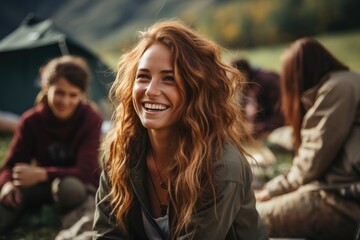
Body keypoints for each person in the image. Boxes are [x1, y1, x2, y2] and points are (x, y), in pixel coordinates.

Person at [93, 20, 265, 239]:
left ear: (196, 90)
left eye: (169, 79)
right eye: (143, 76)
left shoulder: (221, 166)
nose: (151, 91)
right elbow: (106, 233)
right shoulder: (119, 152)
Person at [255, 37, 360, 239]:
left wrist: (272, 190)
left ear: (298, 75)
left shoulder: (337, 88)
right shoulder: (344, 83)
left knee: (251, 219)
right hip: (338, 191)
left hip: (342, 199)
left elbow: (313, 157)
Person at [0, 55, 103, 233]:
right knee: (6, 202)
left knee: (69, 188)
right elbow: (10, 165)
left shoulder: (91, 119)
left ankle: (61, 217)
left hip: (77, 185)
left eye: (73, 95)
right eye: (60, 92)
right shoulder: (30, 121)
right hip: (40, 187)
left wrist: (42, 173)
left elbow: (87, 170)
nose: (65, 101)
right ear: (47, 89)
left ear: (81, 95)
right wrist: (7, 184)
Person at [231, 58, 284, 139]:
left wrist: (257, 128)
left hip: (278, 125)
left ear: (242, 73)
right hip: (264, 124)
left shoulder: (264, 81)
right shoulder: (248, 82)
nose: (233, 80)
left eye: (233, 75)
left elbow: (281, 113)